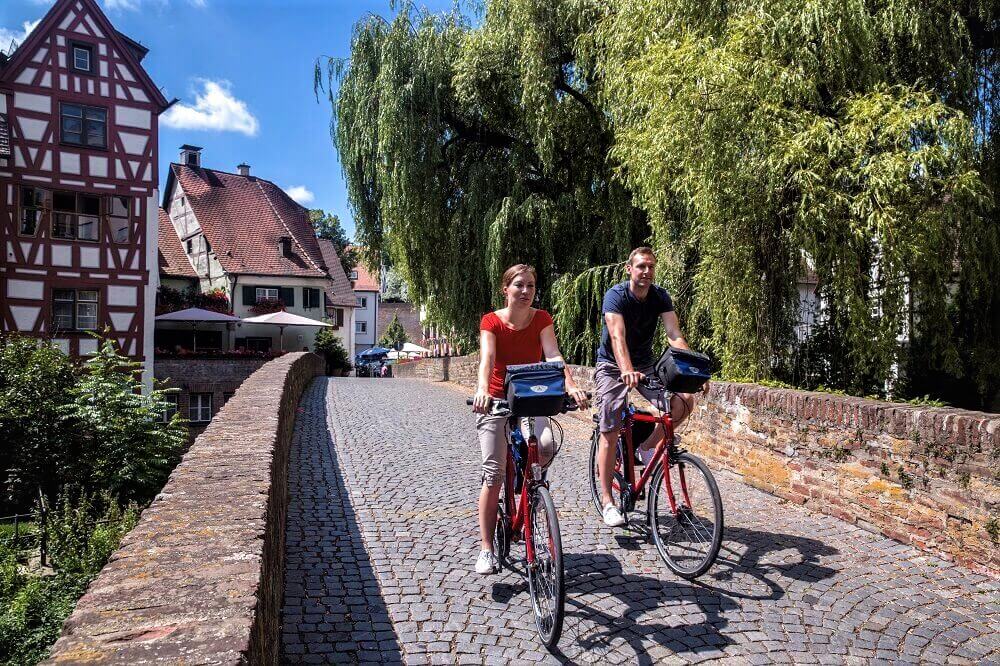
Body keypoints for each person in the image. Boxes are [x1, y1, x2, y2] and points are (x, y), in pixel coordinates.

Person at [472, 264, 589, 574]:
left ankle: (531, 487)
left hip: (532, 395)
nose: (526, 291)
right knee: (494, 474)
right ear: (506, 289)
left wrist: (571, 385)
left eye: (531, 286)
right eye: (519, 285)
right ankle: (486, 548)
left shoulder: (542, 319)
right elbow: (487, 360)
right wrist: (483, 391)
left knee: (547, 445)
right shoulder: (492, 321)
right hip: (497, 398)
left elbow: (553, 356)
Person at [594, 247, 710, 527]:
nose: (646, 272)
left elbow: (674, 335)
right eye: (641, 266)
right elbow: (617, 336)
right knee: (610, 426)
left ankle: (647, 447)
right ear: (629, 269)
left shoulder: (659, 296)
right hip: (612, 365)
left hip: (646, 365)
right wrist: (625, 370)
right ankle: (608, 500)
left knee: (683, 401)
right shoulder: (616, 296)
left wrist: (694, 370)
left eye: (650, 267)